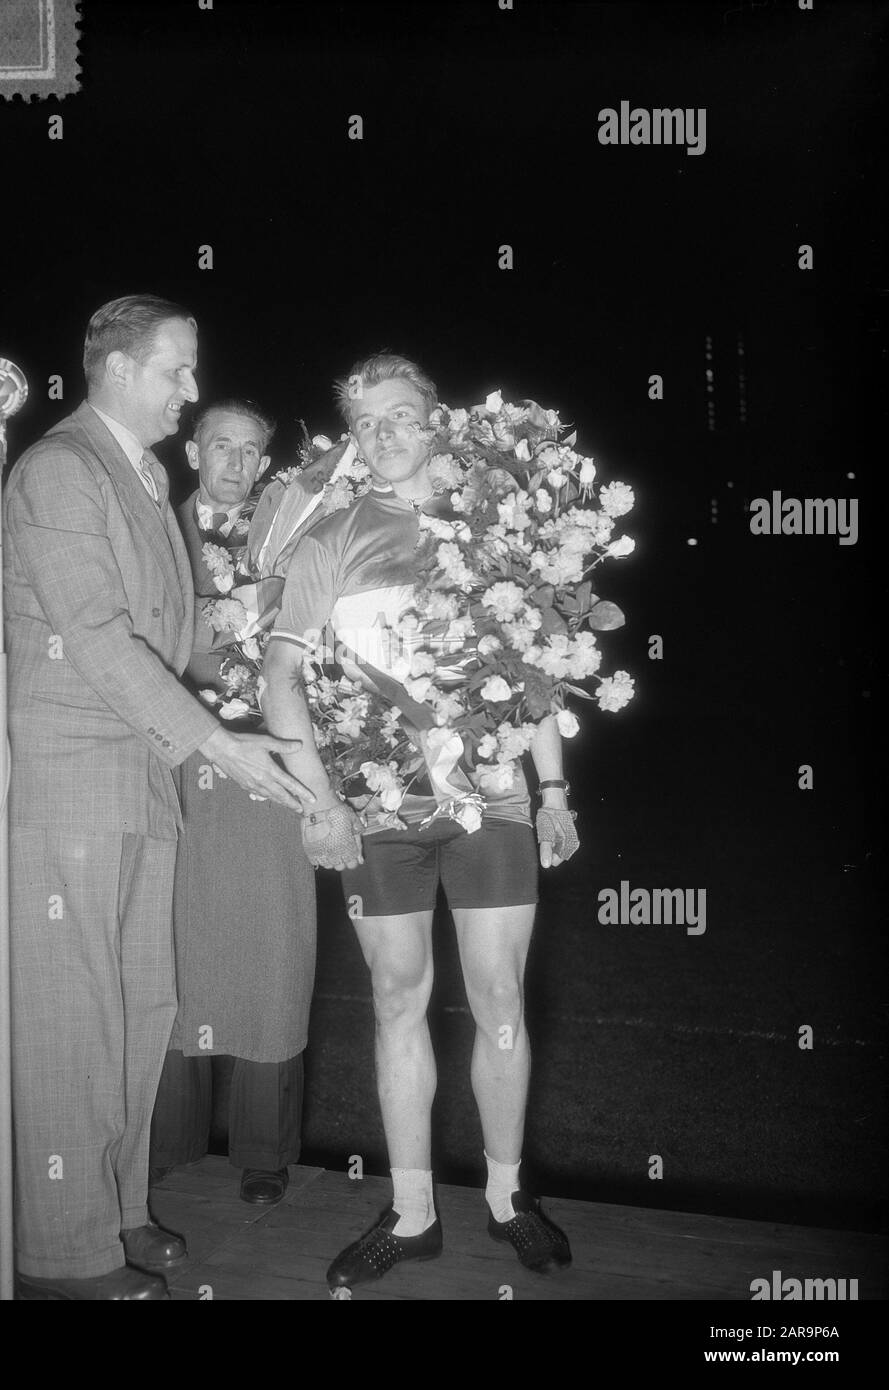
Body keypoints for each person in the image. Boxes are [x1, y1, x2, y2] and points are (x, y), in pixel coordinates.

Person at [0, 295, 312, 1301]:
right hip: (72, 776)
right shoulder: (57, 469)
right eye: (178, 368)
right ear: (120, 368)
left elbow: (173, 639)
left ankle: (120, 1205)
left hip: (141, 776)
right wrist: (220, 742)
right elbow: (95, 636)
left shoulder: (143, 474)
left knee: (139, 1008)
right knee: (70, 1019)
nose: (193, 386)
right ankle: (67, 1250)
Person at [261, 353, 580, 1292]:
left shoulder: (495, 529)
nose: (385, 435)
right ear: (352, 441)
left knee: (499, 1000)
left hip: (489, 802)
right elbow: (282, 673)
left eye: (401, 416)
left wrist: (554, 792)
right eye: (367, 424)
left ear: (435, 420)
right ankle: (410, 1213)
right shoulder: (328, 536)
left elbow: (536, 671)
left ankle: (507, 1197)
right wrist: (319, 802)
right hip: (379, 811)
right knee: (396, 997)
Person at [150, 400, 316, 1207]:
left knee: (274, 955)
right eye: (222, 446)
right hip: (183, 763)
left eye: (253, 451)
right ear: (191, 450)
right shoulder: (148, 530)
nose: (236, 464)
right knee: (174, 954)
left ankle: (263, 1154)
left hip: (273, 766)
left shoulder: (294, 539)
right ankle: (170, 1139)